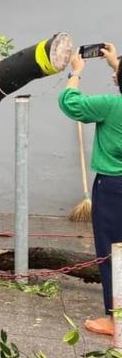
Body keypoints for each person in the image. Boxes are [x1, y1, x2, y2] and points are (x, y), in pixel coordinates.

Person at [58, 43, 121, 336]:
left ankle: (115, 318)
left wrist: (77, 72)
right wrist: (114, 65)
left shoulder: (110, 106)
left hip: (112, 188)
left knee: (112, 252)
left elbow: (70, 102)